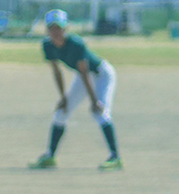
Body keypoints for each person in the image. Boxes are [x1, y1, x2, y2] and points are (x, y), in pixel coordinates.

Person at [29, 10, 120, 171]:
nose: (56, 32)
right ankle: (50, 156)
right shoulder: (47, 45)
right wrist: (63, 98)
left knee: (99, 112)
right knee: (61, 113)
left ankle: (115, 157)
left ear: (66, 29)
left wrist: (94, 101)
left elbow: (85, 73)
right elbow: (57, 72)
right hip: (83, 76)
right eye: (52, 28)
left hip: (102, 74)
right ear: (47, 30)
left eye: (60, 28)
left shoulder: (76, 44)